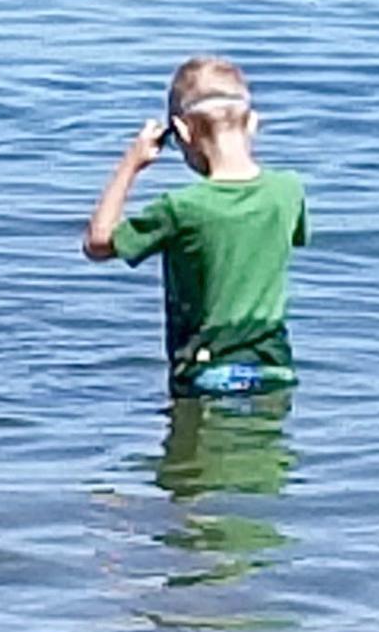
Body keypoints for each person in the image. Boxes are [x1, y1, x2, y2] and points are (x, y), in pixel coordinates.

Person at [83, 56, 308, 393]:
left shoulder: (181, 208)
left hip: (206, 369)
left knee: (197, 445)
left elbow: (97, 244)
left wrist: (130, 164)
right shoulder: (288, 191)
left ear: (184, 131)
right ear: (252, 123)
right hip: (274, 367)